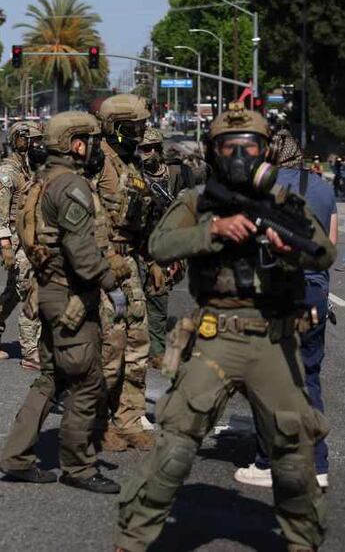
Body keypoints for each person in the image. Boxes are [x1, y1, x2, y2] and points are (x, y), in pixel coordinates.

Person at [115, 104, 334, 552]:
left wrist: (287, 245)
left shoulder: (283, 203)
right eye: (228, 146)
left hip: (273, 339)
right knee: (174, 445)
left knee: (293, 456)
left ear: (264, 151)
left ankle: (303, 541)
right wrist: (211, 230)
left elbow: (324, 253)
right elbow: (159, 244)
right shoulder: (197, 202)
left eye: (249, 145)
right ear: (214, 152)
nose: (239, 154)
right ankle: (132, 540)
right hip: (216, 338)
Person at [0, 111, 126, 494]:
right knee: (87, 383)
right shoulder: (71, 185)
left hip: (48, 292)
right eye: (89, 140)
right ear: (75, 143)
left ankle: (17, 457)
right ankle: (80, 468)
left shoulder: (43, 180)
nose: (93, 148)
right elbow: (81, 251)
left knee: (51, 378)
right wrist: (110, 285)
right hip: (69, 294)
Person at [234, 130, 335, 490]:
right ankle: (318, 463)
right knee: (308, 376)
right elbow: (330, 246)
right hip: (314, 294)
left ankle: (267, 462)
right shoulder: (323, 188)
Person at [94, 94, 155, 453]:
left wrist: (154, 257)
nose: (142, 133)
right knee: (110, 350)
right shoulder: (98, 162)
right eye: (136, 127)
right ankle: (99, 423)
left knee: (137, 345)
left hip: (130, 263)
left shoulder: (130, 163)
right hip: (106, 267)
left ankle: (129, 420)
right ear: (117, 128)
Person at [0, 121, 44, 369]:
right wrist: (5, 245)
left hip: (32, 237)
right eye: (33, 141)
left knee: (14, 292)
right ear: (20, 141)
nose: (38, 145)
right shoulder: (8, 173)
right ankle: (30, 351)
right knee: (29, 290)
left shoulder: (32, 170)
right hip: (15, 240)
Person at [138, 127, 192, 368]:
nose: (145, 154)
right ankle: (141, 346)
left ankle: (156, 349)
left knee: (158, 295)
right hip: (138, 243)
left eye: (149, 149)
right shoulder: (133, 173)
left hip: (167, 245)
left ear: (159, 150)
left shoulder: (176, 173)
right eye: (141, 149)